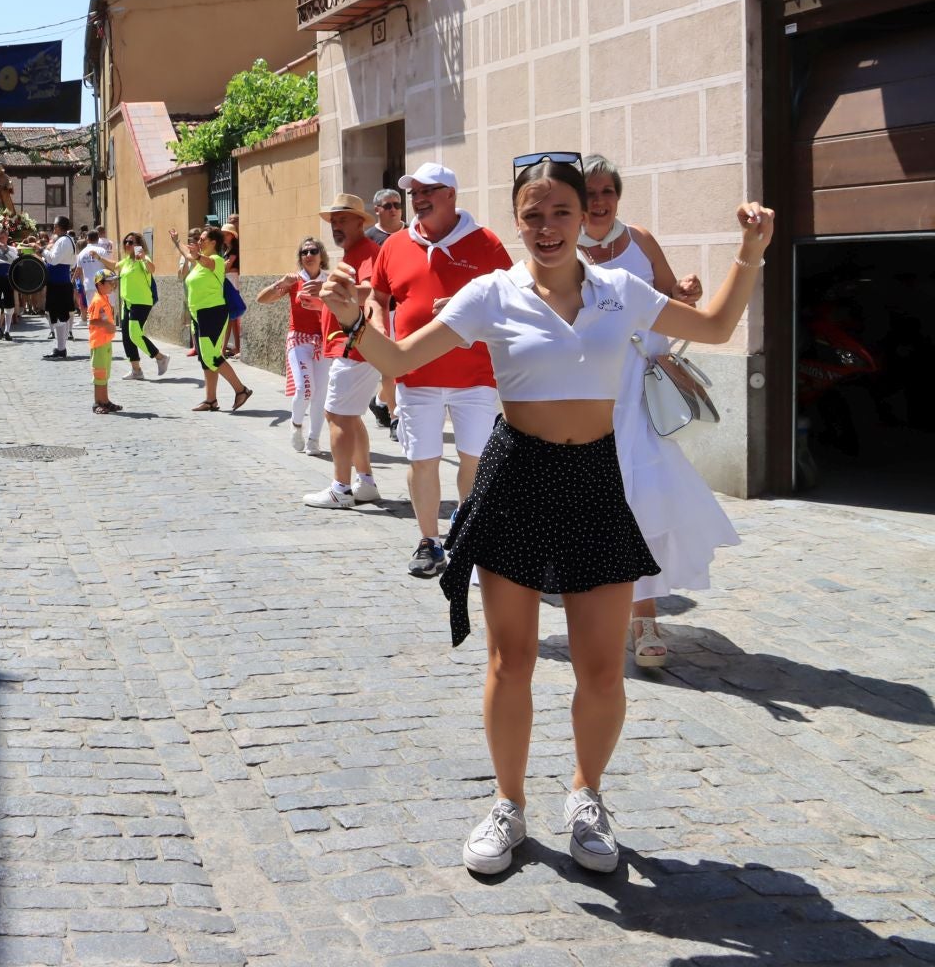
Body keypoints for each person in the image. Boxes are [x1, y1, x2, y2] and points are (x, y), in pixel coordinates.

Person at [316, 155, 773, 878]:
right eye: (533, 213)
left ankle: (587, 797)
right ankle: (507, 803)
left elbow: (715, 326)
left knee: (600, 669)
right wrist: (349, 322)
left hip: (596, 479)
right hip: (517, 476)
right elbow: (400, 360)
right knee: (513, 659)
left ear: (584, 215)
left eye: (562, 210)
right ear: (516, 219)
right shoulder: (490, 294)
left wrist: (748, 254)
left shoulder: (620, 290)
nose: (548, 226)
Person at [580, 154, 733, 668]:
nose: (599, 202)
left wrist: (687, 292)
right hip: (592, 393)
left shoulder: (640, 240)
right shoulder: (560, 247)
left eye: (607, 192)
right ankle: (592, 601)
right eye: (590, 193)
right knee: (591, 501)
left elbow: (670, 294)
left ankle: (642, 615)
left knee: (642, 500)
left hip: (642, 391)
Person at [370, 164, 514, 579]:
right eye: (413, 191)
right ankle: (429, 542)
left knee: (474, 460)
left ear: (451, 194)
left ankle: (466, 536)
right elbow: (379, 296)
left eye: (427, 190)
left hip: (475, 376)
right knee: (423, 459)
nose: (418, 198)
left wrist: (463, 303)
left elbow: (512, 298)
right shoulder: (395, 245)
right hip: (416, 374)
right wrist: (378, 322)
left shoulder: (485, 243)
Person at [303, 195, 385, 510]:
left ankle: (340, 488)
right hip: (354, 345)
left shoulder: (367, 253)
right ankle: (364, 483)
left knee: (336, 415)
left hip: (356, 345)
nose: (336, 226)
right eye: (333, 221)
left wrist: (331, 292)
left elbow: (371, 291)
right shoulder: (353, 253)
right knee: (349, 416)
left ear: (359, 222)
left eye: (342, 220)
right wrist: (323, 300)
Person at [256, 237, 329, 454]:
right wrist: (281, 283)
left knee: (320, 394)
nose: (308, 256)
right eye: (304, 253)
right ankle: (296, 425)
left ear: (321, 255)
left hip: (323, 342)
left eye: (313, 251)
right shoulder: (294, 280)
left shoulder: (329, 280)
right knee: (305, 388)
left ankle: (314, 439)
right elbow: (262, 299)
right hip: (299, 340)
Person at [170, 226, 252, 412]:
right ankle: (210, 400)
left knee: (212, 356)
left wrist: (197, 255)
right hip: (198, 315)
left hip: (212, 313)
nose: (199, 241)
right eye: (199, 239)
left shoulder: (215, 260)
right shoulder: (198, 261)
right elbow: (188, 253)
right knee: (205, 358)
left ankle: (241, 390)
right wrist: (176, 241)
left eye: (203, 239)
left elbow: (204, 261)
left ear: (213, 242)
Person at [370, 188, 408, 431]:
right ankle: (395, 418)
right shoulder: (369, 238)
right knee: (391, 366)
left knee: (408, 366)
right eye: (388, 205)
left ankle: (380, 401)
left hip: (411, 309)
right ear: (377, 210)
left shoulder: (414, 233)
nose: (394, 209)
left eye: (397, 204)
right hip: (387, 310)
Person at [116, 233, 167, 379]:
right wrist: (99, 258)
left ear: (138, 244)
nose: (127, 244)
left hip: (141, 302)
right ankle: (136, 370)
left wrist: (143, 257)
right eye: (125, 242)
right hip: (127, 302)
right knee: (126, 336)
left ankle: (160, 357)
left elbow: (152, 269)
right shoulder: (127, 261)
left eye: (131, 242)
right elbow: (114, 266)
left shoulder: (143, 259)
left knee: (135, 334)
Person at [87, 270, 123, 414]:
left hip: (106, 341)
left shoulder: (104, 298)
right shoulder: (97, 300)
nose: (113, 285)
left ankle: (105, 401)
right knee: (99, 374)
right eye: (110, 282)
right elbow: (93, 320)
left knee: (105, 373)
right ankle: (97, 403)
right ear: (100, 284)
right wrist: (107, 325)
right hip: (99, 342)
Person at [42, 217, 79, 359]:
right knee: (58, 315)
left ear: (58, 227)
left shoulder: (63, 241)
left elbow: (53, 259)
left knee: (59, 315)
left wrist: (42, 251)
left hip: (58, 283)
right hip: (60, 282)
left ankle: (61, 349)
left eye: (54, 225)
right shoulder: (67, 240)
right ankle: (60, 348)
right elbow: (71, 263)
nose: (53, 228)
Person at [222, 222, 244, 358]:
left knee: (231, 316)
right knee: (232, 317)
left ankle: (224, 348)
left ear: (231, 235)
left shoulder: (234, 250)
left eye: (225, 234)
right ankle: (234, 347)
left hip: (232, 280)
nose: (223, 236)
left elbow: (227, 267)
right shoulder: (226, 250)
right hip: (228, 280)